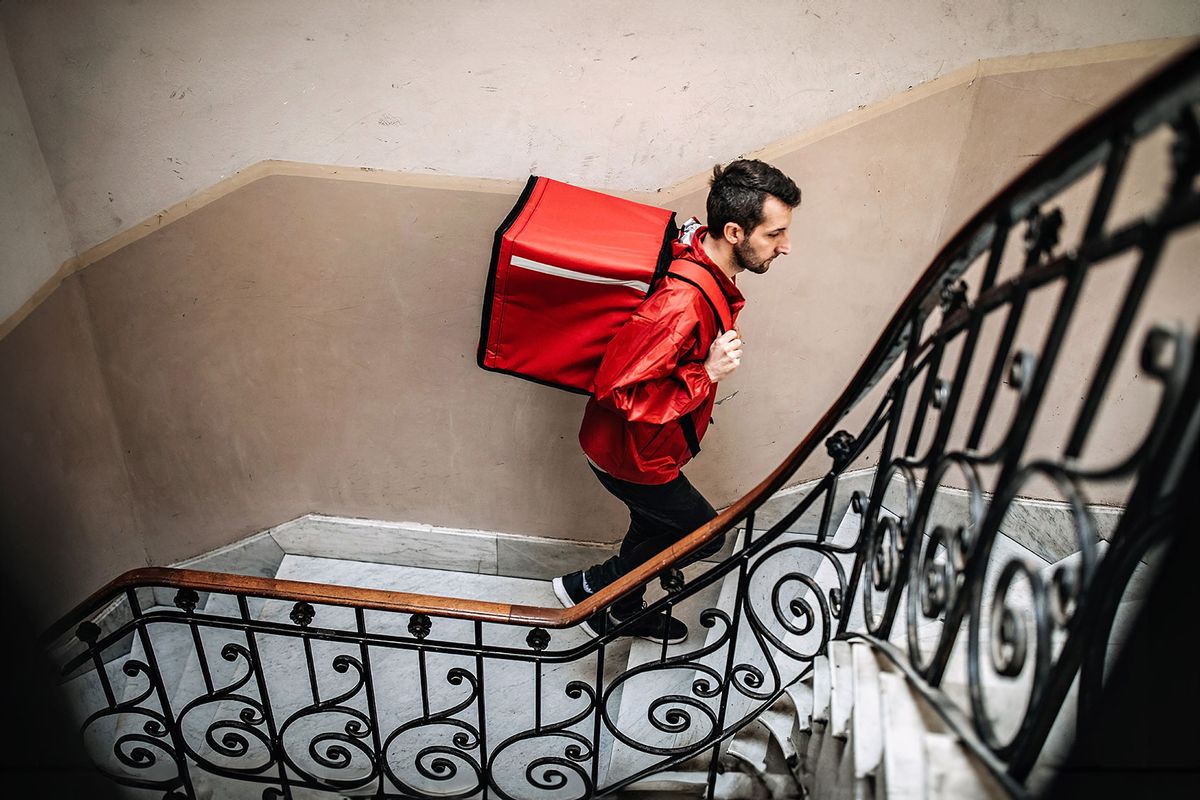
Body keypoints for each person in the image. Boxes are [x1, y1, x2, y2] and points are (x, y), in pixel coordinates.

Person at [553, 158, 801, 643]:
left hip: (649, 448)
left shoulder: (702, 257)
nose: (786, 246)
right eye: (775, 234)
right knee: (702, 536)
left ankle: (621, 609)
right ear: (733, 231)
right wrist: (705, 373)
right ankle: (594, 586)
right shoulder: (680, 303)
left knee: (653, 528)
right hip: (630, 455)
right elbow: (617, 390)